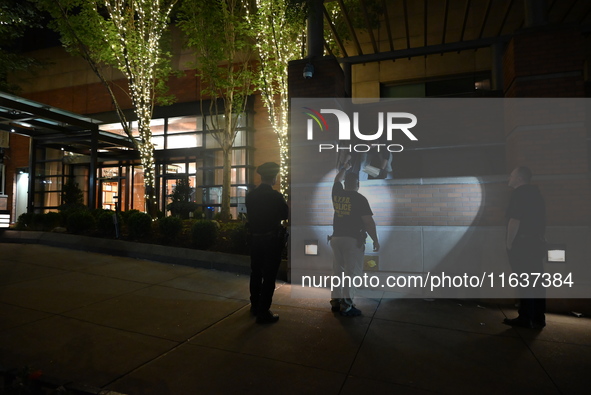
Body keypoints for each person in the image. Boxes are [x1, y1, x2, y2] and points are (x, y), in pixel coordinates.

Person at [330, 161, 379, 316]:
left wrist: (345, 168)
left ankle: (335, 302)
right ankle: (347, 305)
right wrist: (375, 240)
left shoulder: (337, 192)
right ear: (357, 184)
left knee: (338, 271)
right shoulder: (360, 199)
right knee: (352, 274)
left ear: (346, 183)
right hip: (352, 241)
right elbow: (368, 223)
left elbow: (336, 180)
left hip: (336, 238)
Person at [245, 162, 289, 324]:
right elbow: (285, 214)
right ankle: (264, 311)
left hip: (255, 239)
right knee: (269, 276)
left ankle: (255, 305)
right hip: (271, 240)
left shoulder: (250, 196)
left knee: (255, 273)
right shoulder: (276, 196)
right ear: (274, 177)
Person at [504, 166, 547, 329]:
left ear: (520, 178)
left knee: (524, 282)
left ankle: (525, 317)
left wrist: (509, 244)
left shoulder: (519, 194)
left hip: (522, 245)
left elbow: (515, 220)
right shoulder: (537, 195)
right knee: (537, 281)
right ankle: (538, 317)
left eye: (512, 175)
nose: (509, 177)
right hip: (536, 243)